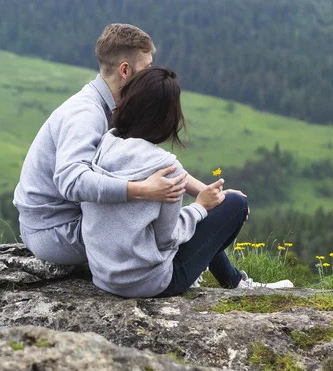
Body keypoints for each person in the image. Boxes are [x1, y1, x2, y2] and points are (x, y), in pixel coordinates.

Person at [81, 66, 293, 298]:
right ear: (167, 117)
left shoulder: (106, 143)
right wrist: (200, 207)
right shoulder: (165, 168)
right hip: (148, 282)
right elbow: (168, 239)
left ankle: (233, 281)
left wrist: (205, 203)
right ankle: (228, 282)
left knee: (207, 213)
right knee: (235, 204)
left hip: (104, 275)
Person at [14, 23, 209, 265]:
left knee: (172, 221)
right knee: (162, 234)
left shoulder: (112, 107)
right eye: (146, 68)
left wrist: (206, 192)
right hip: (55, 232)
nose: (151, 74)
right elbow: (71, 181)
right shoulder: (87, 114)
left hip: (64, 223)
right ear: (125, 70)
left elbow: (151, 160)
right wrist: (141, 190)